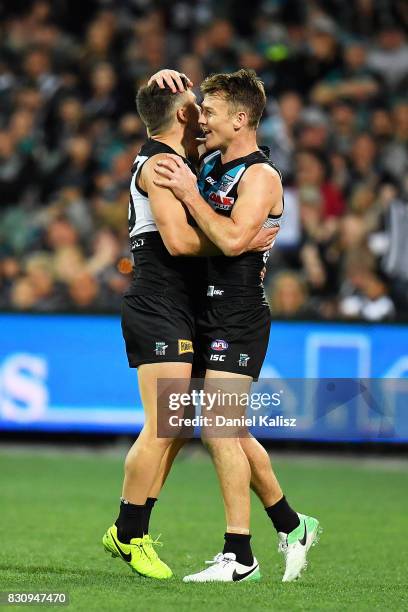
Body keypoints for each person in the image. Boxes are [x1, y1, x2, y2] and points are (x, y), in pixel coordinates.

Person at [101, 75, 278, 579]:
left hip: (189, 307)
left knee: (186, 429)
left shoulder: (191, 162)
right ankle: (129, 532)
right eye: (196, 107)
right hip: (159, 302)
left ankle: (278, 525)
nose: (204, 113)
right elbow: (178, 243)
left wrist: (157, 82)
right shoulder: (162, 164)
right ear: (182, 117)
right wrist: (238, 242)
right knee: (166, 424)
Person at [149, 68, 321, 583]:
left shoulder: (262, 177)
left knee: (219, 427)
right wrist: (160, 86)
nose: (202, 118)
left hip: (239, 313)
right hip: (203, 312)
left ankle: (238, 555)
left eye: (212, 111)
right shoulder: (210, 167)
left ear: (241, 119)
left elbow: (230, 241)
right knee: (232, 431)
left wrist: (188, 191)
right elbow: (159, 132)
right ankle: (293, 524)